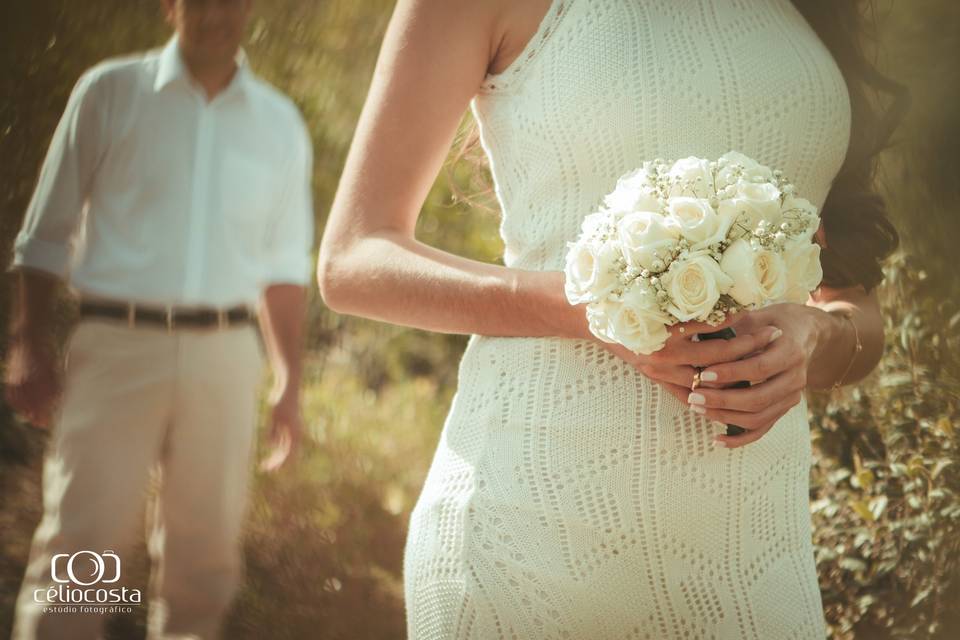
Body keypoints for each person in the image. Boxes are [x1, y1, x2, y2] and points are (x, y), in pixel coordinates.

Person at [317, 0, 905, 637]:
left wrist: (814, 335)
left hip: (753, 554)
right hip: (530, 534)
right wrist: (602, 312)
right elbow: (354, 256)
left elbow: (857, 311)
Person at [4, 0, 314, 638]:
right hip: (116, 344)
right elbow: (46, 233)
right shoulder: (109, 92)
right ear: (171, 7)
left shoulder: (279, 122)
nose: (215, 13)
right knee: (83, 548)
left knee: (204, 560)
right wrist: (27, 340)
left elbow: (284, 268)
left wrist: (290, 381)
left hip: (226, 355)